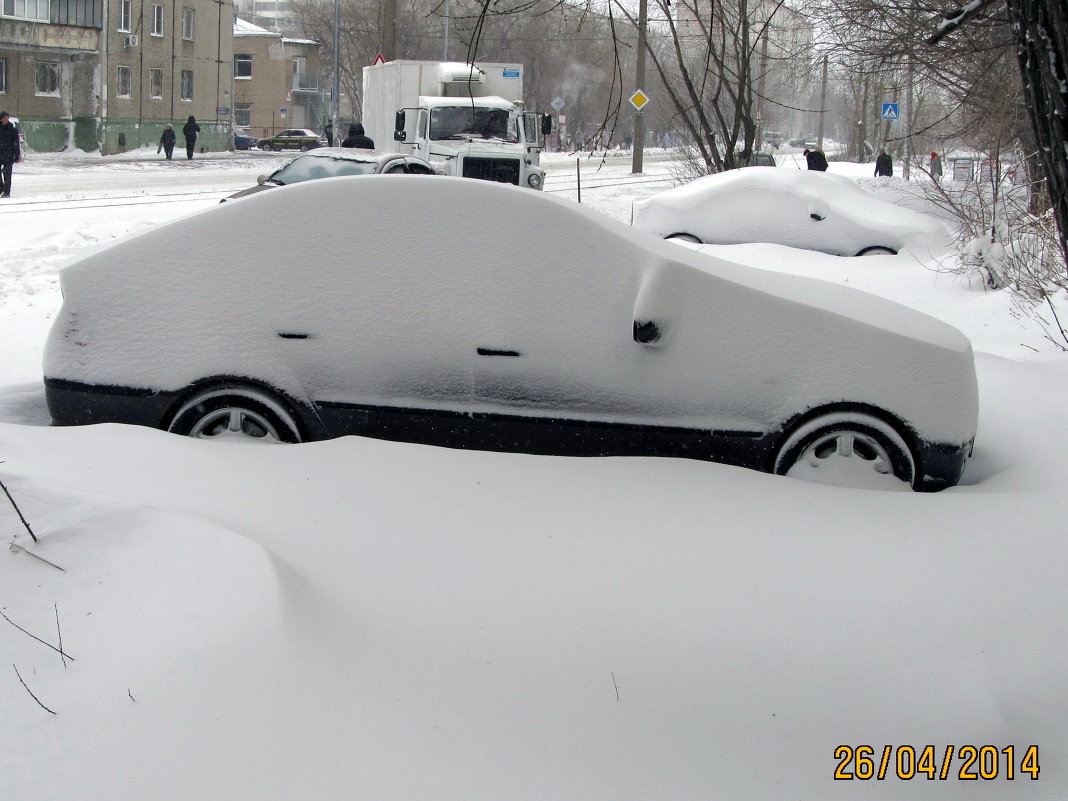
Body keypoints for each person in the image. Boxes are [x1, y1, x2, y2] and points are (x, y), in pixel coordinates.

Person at [0, 110, 19, 198]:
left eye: (7, 118)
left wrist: (16, 155)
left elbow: (16, 143)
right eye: (5, 118)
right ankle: (1, 187)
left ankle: (7, 192)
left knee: (7, 174)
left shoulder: (12, 130)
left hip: (9, 154)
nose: (6, 119)